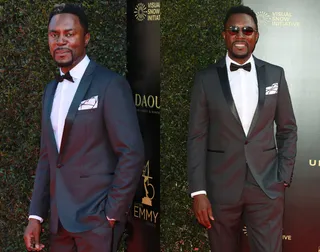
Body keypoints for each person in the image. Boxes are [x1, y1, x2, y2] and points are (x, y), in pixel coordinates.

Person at [23, 3, 144, 252]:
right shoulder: (50, 90)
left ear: (86, 38)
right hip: (59, 225)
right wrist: (35, 216)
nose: (61, 41)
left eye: (69, 34)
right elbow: (47, 157)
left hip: (97, 222)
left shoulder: (110, 85)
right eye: (54, 35)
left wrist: (111, 214)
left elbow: (131, 152)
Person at [187, 5, 297, 252]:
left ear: (256, 36)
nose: (240, 35)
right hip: (220, 189)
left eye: (247, 30)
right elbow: (196, 136)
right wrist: (198, 192)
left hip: (266, 186)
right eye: (233, 30)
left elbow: (287, 128)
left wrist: (283, 175)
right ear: (224, 35)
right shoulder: (205, 79)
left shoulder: (275, 75)